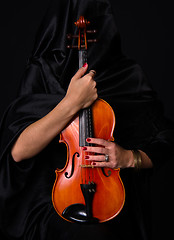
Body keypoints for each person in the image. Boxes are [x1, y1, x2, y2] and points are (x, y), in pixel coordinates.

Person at [0, 0, 173, 239]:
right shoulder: (42, 71)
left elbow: (166, 141)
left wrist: (128, 157)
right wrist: (72, 103)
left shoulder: (127, 75)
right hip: (52, 199)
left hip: (110, 197)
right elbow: (18, 151)